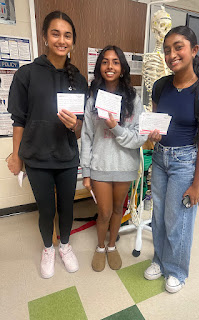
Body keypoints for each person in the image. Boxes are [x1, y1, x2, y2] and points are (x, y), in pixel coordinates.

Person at [7, 11, 88, 279]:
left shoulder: (78, 79)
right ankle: (48, 248)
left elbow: (79, 128)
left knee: (67, 206)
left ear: (73, 42)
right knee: (46, 209)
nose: (61, 40)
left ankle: (64, 246)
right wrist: (17, 156)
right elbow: (18, 120)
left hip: (66, 156)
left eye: (67, 35)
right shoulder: (27, 74)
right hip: (37, 157)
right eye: (55, 33)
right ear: (44, 37)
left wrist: (72, 126)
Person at [144, 26, 199, 293]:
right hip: (160, 157)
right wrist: (151, 135)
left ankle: (176, 270)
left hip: (186, 162)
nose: (172, 54)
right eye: (167, 50)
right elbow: (155, 126)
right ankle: (160, 260)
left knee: (179, 219)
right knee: (160, 216)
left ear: (193, 50)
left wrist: (197, 184)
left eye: (178, 47)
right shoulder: (160, 86)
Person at [80, 45, 147, 272]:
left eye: (115, 62)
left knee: (119, 209)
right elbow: (87, 137)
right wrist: (86, 172)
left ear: (122, 68)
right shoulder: (93, 98)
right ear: (100, 66)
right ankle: (100, 247)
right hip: (100, 165)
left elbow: (139, 137)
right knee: (105, 212)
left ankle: (111, 246)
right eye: (106, 61)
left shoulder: (133, 99)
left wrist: (115, 128)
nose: (110, 66)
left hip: (125, 165)